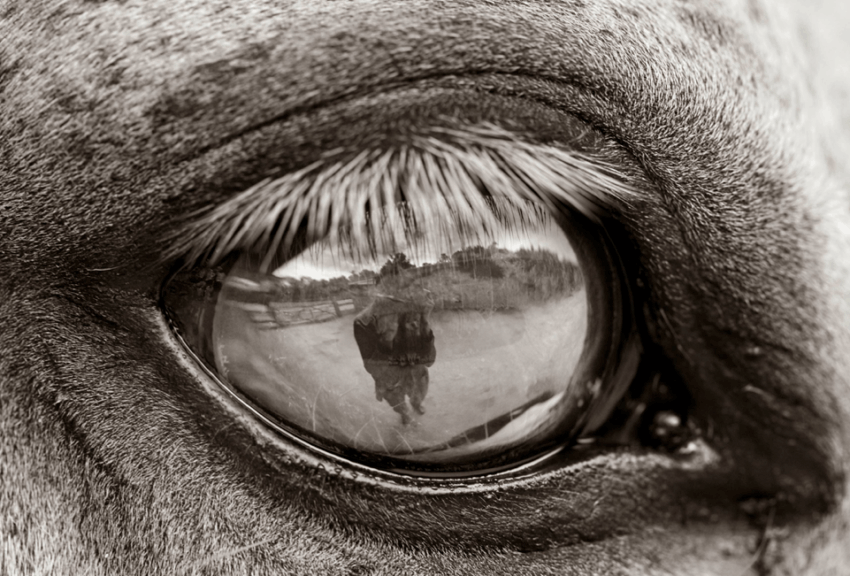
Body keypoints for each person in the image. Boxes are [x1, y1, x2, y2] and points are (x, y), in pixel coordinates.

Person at [353, 293, 436, 425]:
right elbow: (373, 368)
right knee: (398, 403)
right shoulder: (364, 322)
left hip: (414, 371)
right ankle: (405, 414)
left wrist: (425, 321)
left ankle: (416, 404)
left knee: (419, 394)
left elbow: (429, 359)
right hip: (389, 379)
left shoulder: (412, 313)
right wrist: (386, 339)